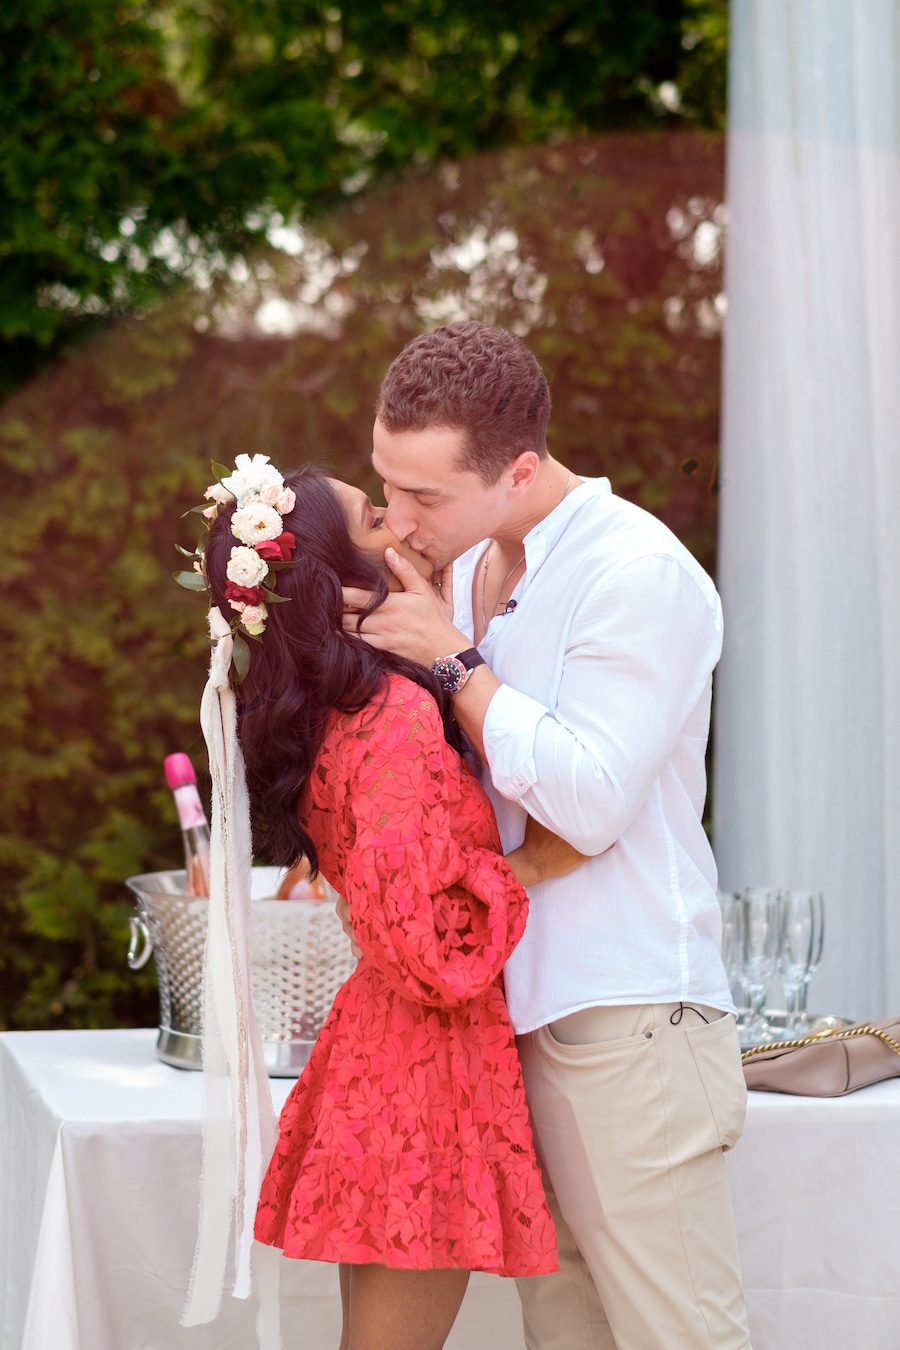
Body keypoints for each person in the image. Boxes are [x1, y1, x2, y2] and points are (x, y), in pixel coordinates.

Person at [341, 320, 753, 1350]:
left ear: (520, 468)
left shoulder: (636, 573)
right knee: (568, 1334)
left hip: (630, 1019)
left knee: (680, 1336)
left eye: (424, 496)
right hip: (516, 1018)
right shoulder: (468, 562)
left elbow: (591, 797)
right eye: (385, 484)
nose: (396, 518)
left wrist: (452, 662)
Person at [195, 456, 581, 1350]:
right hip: (423, 1080)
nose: (403, 528)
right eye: (377, 521)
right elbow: (427, 946)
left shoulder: (343, 712)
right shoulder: (396, 720)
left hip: (386, 1055)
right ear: (344, 588)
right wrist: (528, 867)